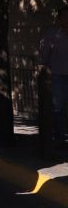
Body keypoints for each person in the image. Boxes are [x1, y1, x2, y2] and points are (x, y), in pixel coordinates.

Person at [39, 9, 68, 148]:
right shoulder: (52, 34)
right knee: (59, 107)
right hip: (57, 75)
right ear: (59, 19)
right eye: (65, 17)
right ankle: (59, 137)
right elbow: (44, 54)